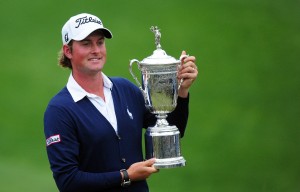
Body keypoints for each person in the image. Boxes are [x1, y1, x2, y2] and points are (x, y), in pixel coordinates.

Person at [44, 13, 198, 192]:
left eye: (100, 42)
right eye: (86, 44)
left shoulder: (125, 89)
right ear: (68, 51)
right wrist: (126, 176)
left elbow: (171, 129)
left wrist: (181, 90)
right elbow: (68, 181)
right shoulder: (59, 110)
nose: (96, 50)